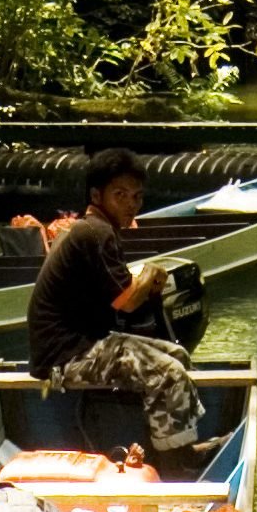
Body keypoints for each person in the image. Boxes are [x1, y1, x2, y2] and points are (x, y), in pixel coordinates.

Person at [25, 147, 210, 479]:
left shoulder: (94, 230)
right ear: (97, 196)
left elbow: (120, 293)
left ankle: (179, 446)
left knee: (177, 355)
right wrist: (151, 275)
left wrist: (144, 282)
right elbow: (128, 301)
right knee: (167, 373)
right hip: (66, 356)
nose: (130, 204)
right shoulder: (96, 233)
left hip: (85, 342)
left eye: (137, 196)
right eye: (120, 195)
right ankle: (175, 464)